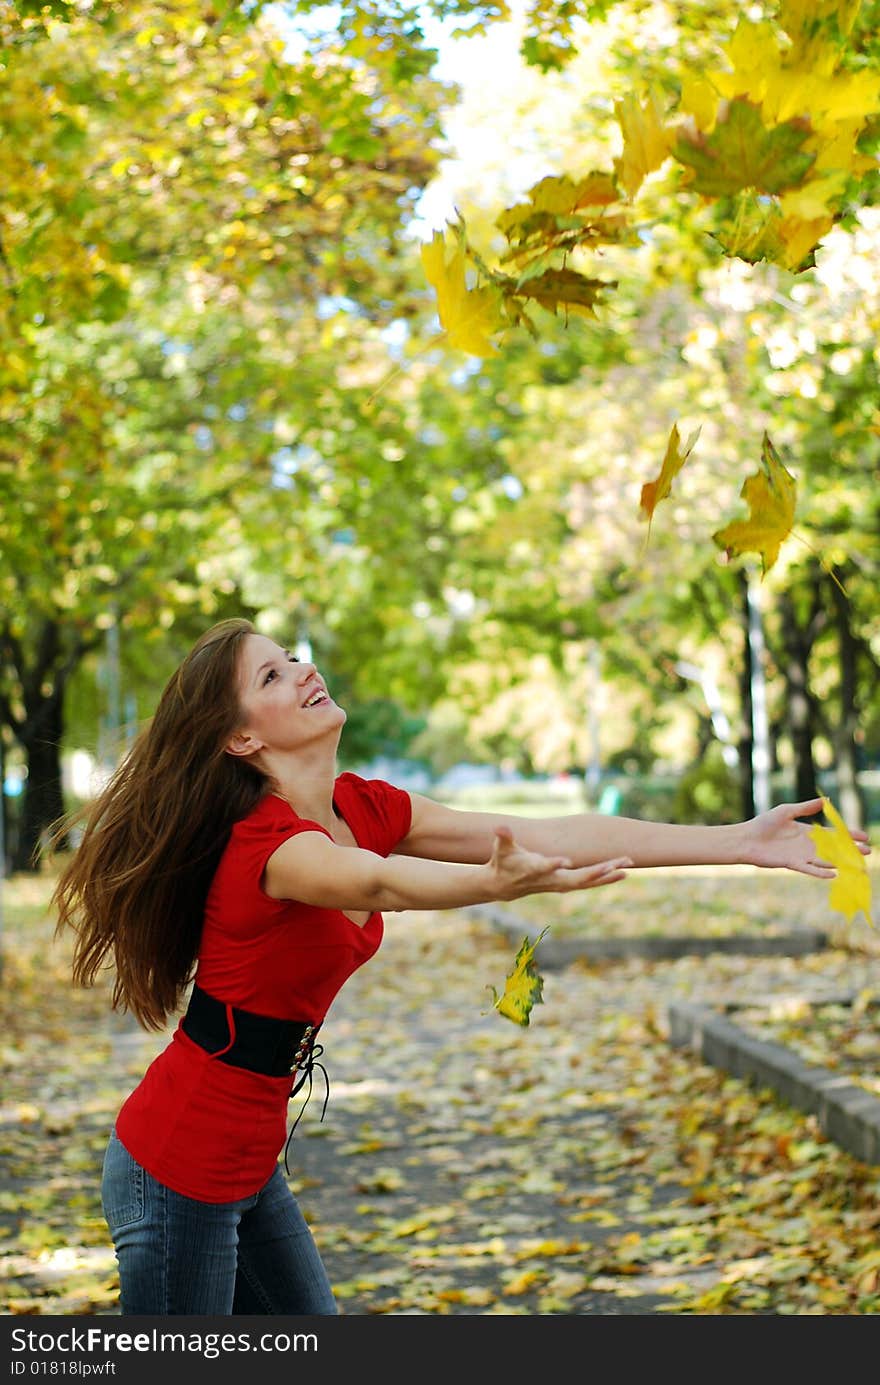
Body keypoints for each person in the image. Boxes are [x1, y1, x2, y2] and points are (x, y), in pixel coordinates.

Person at [51, 617, 870, 1316]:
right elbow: (374, 881)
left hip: (247, 1156)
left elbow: (547, 831)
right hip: (177, 1167)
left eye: (292, 656)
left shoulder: (361, 806)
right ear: (242, 736)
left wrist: (735, 842)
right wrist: (489, 883)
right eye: (272, 673)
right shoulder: (267, 848)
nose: (304, 670)